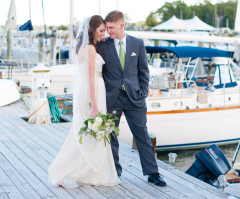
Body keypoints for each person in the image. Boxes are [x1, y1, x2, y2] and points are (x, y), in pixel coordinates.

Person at [48, 15, 120, 188]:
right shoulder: (89, 49)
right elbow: (89, 77)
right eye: (101, 30)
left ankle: (87, 172)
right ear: (92, 29)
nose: (103, 34)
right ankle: (77, 172)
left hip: (88, 89)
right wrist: (94, 105)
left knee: (85, 132)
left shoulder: (84, 47)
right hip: (93, 90)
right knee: (90, 133)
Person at [97, 10, 166, 187]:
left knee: (142, 135)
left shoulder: (137, 43)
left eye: (111, 27)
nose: (108, 31)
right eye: (106, 28)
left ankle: (153, 173)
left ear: (121, 25)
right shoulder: (103, 45)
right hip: (112, 98)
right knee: (110, 135)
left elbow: (144, 71)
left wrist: (143, 91)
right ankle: (115, 171)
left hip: (135, 98)